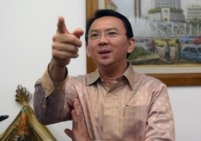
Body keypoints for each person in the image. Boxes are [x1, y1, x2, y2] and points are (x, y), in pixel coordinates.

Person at [33, 9, 175, 141]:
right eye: (95, 35)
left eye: (112, 33)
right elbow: (45, 114)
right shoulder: (77, 87)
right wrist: (57, 64)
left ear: (130, 44)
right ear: (88, 49)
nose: (102, 41)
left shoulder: (153, 89)